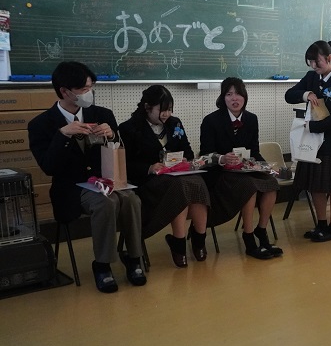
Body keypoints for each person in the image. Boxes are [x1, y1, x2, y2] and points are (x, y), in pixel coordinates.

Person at [27, 61, 146, 293]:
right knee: (105, 202)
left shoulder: (102, 114)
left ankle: (134, 258)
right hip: (71, 188)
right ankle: (102, 265)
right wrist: (63, 135)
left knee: (131, 199)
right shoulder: (41, 124)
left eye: (90, 88)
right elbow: (48, 167)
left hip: (107, 181)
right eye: (83, 89)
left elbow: (118, 152)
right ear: (65, 91)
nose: (88, 93)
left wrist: (112, 135)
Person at [118, 85, 211, 268]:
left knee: (197, 182)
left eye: (169, 109)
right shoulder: (129, 128)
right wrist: (149, 168)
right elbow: (125, 164)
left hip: (175, 175)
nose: (167, 114)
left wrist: (184, 159)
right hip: (148, 182)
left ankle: (199, 239)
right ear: (147, 107)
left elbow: (188, 151)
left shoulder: (174, 123)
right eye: (162, 110)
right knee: (180, 187)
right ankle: (179, 243)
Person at [199, 77, 282, 259]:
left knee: (271, 183)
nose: (234, 98)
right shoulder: (211, 121)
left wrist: (266, 167)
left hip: (245, 171)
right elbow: (204, 155)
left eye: (238, 94)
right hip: (221, 173)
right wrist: (222, 158)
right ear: (223, 98)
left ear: (244, 97)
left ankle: (261, 230)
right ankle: (248, 237)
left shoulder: (251, 119)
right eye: (229, 94)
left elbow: (254, 151)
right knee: (249, 187)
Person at [284, 40, 331, 242]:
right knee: (316, 186)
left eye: (317, 62)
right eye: (311, 63)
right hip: (312, 143)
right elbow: (289, 95)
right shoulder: (311, 77)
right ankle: (321, 225)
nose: (314, 66)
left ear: (329, 58)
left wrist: (315, 127)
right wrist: (306, 94)